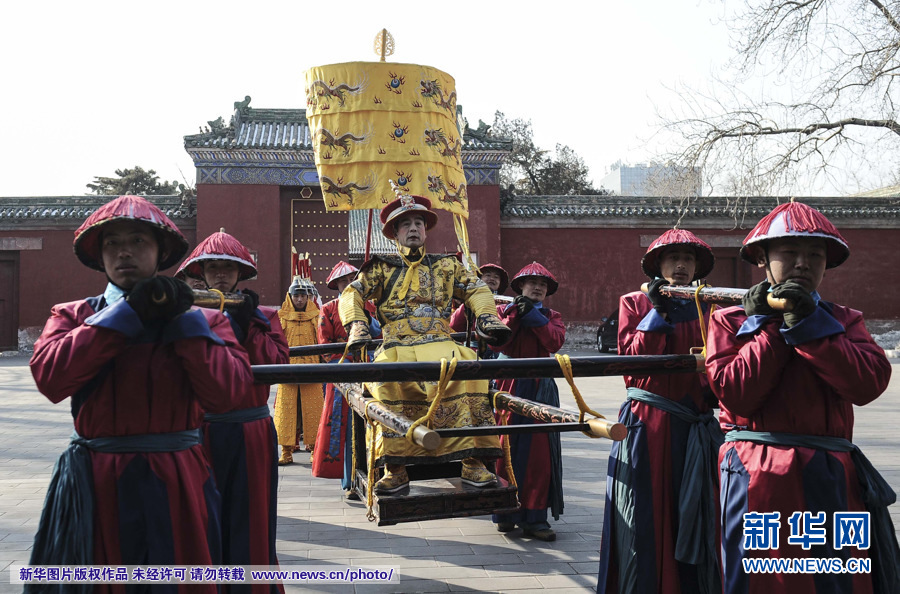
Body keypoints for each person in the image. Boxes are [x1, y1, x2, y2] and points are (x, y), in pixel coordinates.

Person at [28, 195, 253, 583]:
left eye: (138, 241)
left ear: (161, 250)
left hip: (177, 474)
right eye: (112, 243)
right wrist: (127, 313)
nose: (123, 252)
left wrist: (183, 320)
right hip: (97, 478)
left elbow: (227, 394)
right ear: (99, 255)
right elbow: (51, 378)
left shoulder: (207, 320)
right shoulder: (72, 315)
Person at [706, 201, 898, 594]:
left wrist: (809, 327)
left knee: (838, 576)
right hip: (757, 473)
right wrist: (773, 328)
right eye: (789, 252)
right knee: (761, 578)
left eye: (815, 254)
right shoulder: (729, 320)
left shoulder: (845, 320)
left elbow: (868, 384)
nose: (803, 263)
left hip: (832, 473)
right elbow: (736, 394)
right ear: (762, 258)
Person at [339, 193, 511, 493]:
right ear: (395, 233)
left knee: (470, 368)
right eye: (406, 224)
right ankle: (395, 467)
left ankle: (472, 462)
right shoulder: (381, 268)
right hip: (397, 346)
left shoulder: (446, 266)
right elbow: (351, 293)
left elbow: (476, 288)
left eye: (419, 222)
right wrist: (357, 324)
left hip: (442, 343)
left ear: (426, 229)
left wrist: (487, 317)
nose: (414, 228)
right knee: (386, 380)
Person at [597, 229, 722, 594]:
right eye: (672, 258)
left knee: (696, 514)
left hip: (694, 428)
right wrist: (657, 313)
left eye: (688, 259)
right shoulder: (634, 303)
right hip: (646, 426)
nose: (680, 265)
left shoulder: (711, 305)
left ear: (698, 266)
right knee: (644, 515)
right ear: (657, 264)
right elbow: (634, 364)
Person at [178, 229, 289, 592]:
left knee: (251, 519)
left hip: (251, 430)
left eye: (229, 267)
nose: (221, 275)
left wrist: (248, 326)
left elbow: (278, 364)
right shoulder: (186, 316)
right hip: (200, 431)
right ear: (201, 273)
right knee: (200, 519)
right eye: (213, 268)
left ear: (241, 272)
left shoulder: (265, 315)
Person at [492, 262, 567, 542]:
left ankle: (535, 518)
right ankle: (504, 512)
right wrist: (514, 315)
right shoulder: (502, 311)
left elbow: (554, 343)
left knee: (538, 456)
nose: (537, 287)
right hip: (509, 385)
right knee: (505, 448)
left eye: (543, 284)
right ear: (520, 287)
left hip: (540, 387)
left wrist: (534, 318)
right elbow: (498, 343)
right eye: (532, 282)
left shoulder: (553, 316)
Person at [311, 260, 380, 499]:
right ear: (336, 285)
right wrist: (342, 368)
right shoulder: (329, 309)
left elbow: (381, 335)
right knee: (347, 427)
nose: (349, 284)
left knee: (375, 421)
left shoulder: (370, 305)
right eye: (344, 281)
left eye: (353, 280)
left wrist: (370, 321)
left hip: (370, 368)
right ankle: (350, 480)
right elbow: (325, 344)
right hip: (342, 370)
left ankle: (378, 476)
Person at [274, 271, 321, 465]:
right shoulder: (281, 317)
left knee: (313, 411)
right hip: (288, 371)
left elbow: (323, 340)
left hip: (311, 370)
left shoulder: (316, 316)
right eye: (296, 296)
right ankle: (286, 452)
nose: (300, 299)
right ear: (290, 296)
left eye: (303, 295)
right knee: (287, 411)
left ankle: (313, 449)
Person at [450, 263, 509, 360]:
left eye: (496, 277)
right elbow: (455, 325)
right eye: (488, 275)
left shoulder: (506, 303)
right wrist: (469, 303)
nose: (492, 279)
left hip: (498, 350)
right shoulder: (470, 301)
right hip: (474, 349)